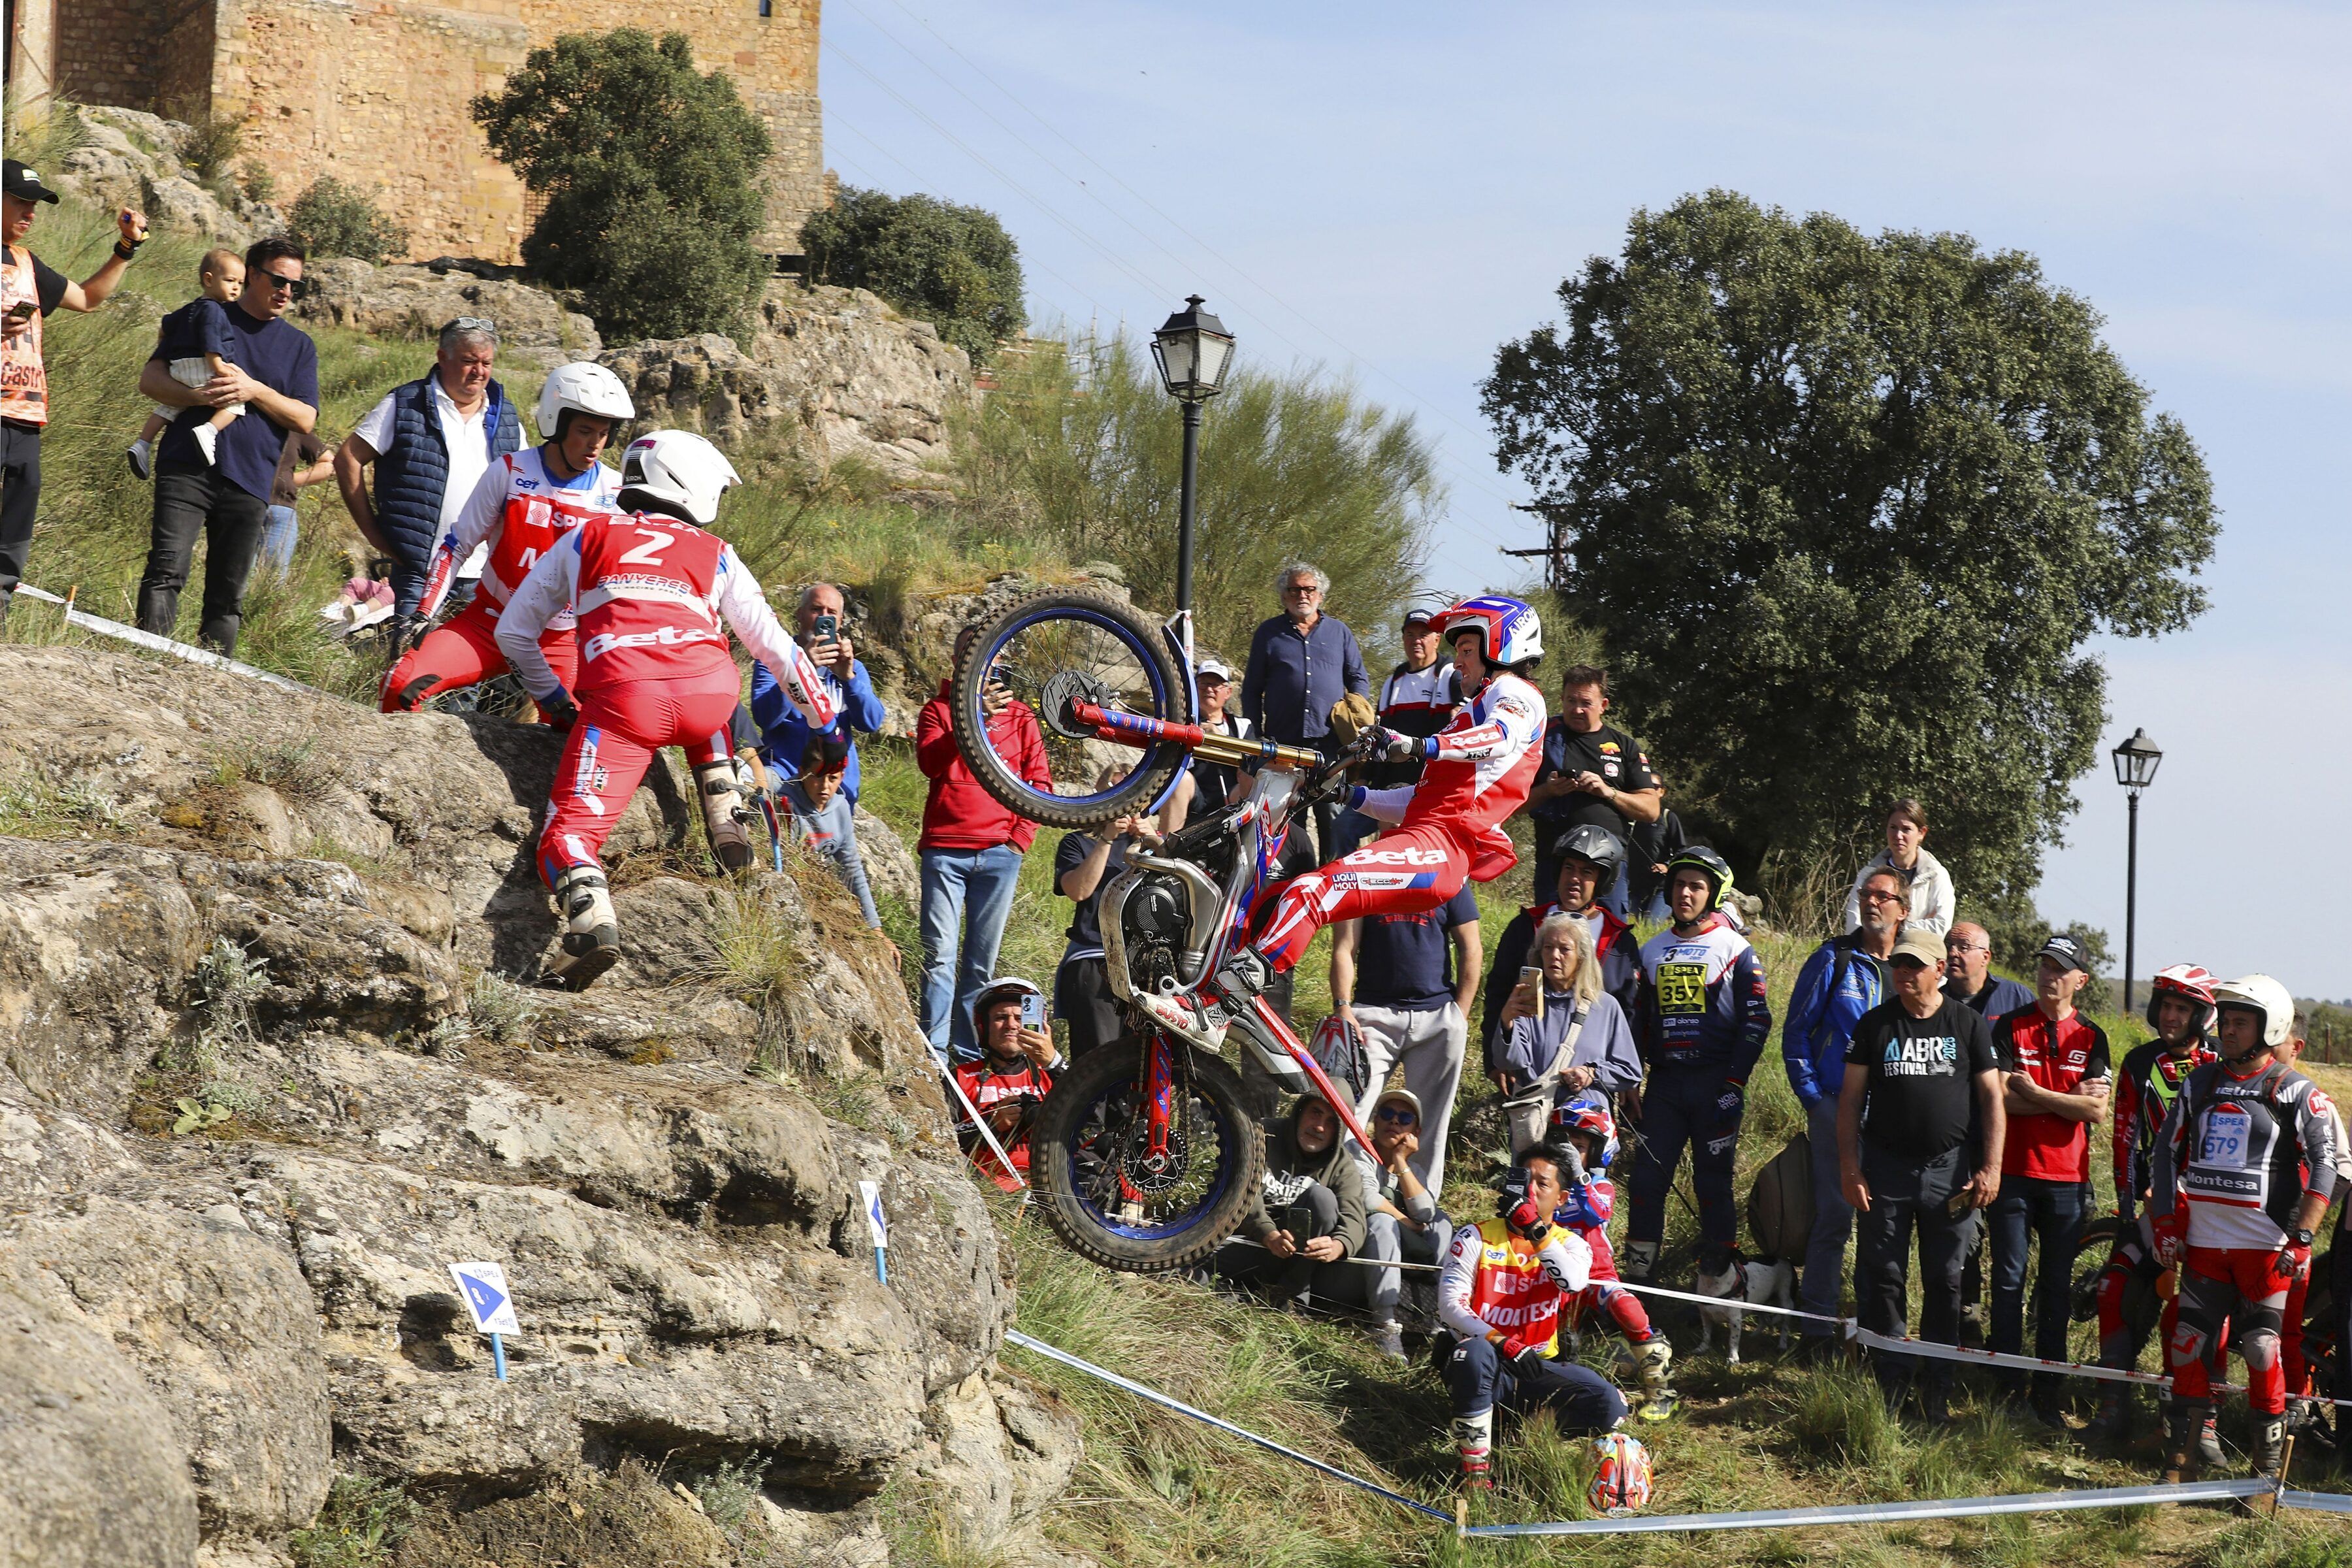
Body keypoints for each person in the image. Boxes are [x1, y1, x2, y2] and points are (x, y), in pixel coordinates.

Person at [1136, 597, 1546, 1068]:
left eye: (1468, 649)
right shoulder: (1473, 711)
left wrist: (1419, 743)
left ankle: (1216, 1007)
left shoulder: (1517, 695)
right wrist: (1343, 796)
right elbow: (1414, 801)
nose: (1459, 662)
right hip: (1420, 835)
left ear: (1501, 645)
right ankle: (1216, 989)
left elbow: (1501, 736)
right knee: (1279, 898)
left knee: (1310, 894)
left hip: (1441, 849)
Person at [493, 429, 836, 988]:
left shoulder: (586, 537)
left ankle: (590, 922)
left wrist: (556, 701)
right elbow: (774, 647)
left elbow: (514, 631)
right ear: (692, 485)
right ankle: (726, 812)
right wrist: (829, 727)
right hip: (711, 698)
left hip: (628, 702)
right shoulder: (717, 551)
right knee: (702, 679)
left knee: (568, 835)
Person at [2152, 973, 2340, 1484]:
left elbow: (2325, 1166)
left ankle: (2265, 1475)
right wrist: (2166, 1223)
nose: (2227, 1032)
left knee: (2261, 1350)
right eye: (2226, 1022)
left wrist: (2303, 1237)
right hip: (2206, 1246)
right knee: (2188, 1343)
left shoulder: (2298, 1091)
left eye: (2240, 1023)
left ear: (2270, 1027)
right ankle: (2180, 1464)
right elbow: (2166, 1155)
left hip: (2266, 1249)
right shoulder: (2199, 1084)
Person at [382, 362, 634, 719]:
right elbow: (456, 547)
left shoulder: (617, 492)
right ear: (556, 424)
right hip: (489, 623)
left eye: (605, 433)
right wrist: (424, 613)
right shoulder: (509, 471)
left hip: (561, 641)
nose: (595, 444)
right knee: (400, 683)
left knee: (578, 734)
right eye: (584, 431)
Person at [1838, 926, 2007, 1422]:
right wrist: (1851, 1167)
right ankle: (1891, 1383)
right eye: (1899, 965)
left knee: (1946, 1281)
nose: (1904, 973)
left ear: (1939, 969)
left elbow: (1992, 1099)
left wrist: (1991, 1167)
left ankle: (1938, 1384)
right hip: (1885, 1169)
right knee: (1886, 1276)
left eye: (1915, 965)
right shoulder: (1875, 1025)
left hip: (1949, 1171)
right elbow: (1849, 1101)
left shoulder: (1968, 1024)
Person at [135, 236, 318, 655]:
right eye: (278, 280)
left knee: (227, 597)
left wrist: (252, 389)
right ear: (252, 274)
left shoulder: (300, 347)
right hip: (186, 466)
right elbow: (151, 380)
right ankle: (144, 668)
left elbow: (305, 418)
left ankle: (213, 687)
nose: (287, 291)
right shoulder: (206, 314)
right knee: (166, 570)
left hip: (252, 479)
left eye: (296, 285)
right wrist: (203, 396)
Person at [0, 161, 146, 625]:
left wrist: (125, 249)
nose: (31, 212)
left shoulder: (27, 263)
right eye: (21, 201)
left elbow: (87, 298)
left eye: (36, 204)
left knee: (15, 529)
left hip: (25, 417)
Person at [1621, 847, 1772, 1284]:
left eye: (1697, 886)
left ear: (1713, 894)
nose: (1685, 893)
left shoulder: (1735, 948)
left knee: (1713, 1186)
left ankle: (1719, 1290)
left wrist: (1734, 1081)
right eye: (1680, 884)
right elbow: (1637, 1022)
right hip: (1665, 1086)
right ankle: (1637, 1288)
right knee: (1647, 1182)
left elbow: (1758, 1018)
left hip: (1715, 1084)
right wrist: (1632, 1078)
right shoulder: (1650, 951)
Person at [1439, 1143, 1627, 1490]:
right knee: (1475, 1351)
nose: (1531, 1190)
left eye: (1543, 1184)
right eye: (1525, 1180)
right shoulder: (1474, 1235)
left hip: (1537, 1365)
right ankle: (1475, 1471)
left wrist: (1536, 1233)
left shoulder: (1572, 1244)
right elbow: (1450, 1305)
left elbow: (1571, 1283)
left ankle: (1518, 1429)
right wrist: (1500, 1341)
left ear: (1561, 1198)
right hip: (1486, 1359)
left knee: (1610, 1406)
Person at [2087, 964, 2218, 1443]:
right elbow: (2125, 1138)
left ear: (2202, 1014)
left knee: (2190, 1313)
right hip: (2152, 1209)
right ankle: (2110, 1409)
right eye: (2165, 1005)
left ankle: (2192, 1423)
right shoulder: (2139, 1062)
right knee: (2112, 1291)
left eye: (2182, 1008)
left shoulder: (2221, 1064)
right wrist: (2126, 1206)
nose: (2171, 1015)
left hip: (2211, 1214)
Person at [1987, 935, 2112, 1425]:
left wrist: (2034, 1090)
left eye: (2060, 968)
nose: (2047, 975)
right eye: (2043, 965)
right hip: (2014, 1174)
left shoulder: (2093, 1036)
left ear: (2080, 979)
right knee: (2009, 1281)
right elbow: (1999, 1099)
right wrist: (2067, 1102)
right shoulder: (2009, 1026)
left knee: (2057, 1287)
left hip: (2066, 1179)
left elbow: (2096, 1110)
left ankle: (2048, 1391)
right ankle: (2007, 1387)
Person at [1781, 866, 1904, 1358]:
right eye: (1865, 894)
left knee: (1881, 1226)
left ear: (1903, 908)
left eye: (1883, 896)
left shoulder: (1910, 968)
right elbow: (1796, 1032)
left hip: (1890, 1116)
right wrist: (1814, 1098)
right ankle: (1816, 1332)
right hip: (1835, 1106)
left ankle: (1870, 1333)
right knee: (1833, 1218)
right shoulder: (1835, 958)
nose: (1872, 903)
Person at [915, 623, 1053, 1062]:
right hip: (946, 848)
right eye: (967, 653)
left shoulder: (1022, 716)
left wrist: (1020, 839)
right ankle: (936, 1054)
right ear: (957, 663)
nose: (979, 662)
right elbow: (930, 763)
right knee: (939, 955)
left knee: (979, 963)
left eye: (987, 653)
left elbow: (1040, 783)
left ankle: (967, 1056)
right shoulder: (938, 710)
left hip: (1000, 853)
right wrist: (969, 719)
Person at [335, 317, 523, 619]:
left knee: (469, 665)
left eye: (486, 363)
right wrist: (373, 534)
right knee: (410, 658)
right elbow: (348, 459)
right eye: (468, 361)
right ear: (442, 357)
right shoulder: (406, 403)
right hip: (422, 569)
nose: (479, 372)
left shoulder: (507, 418)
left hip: (485, 575)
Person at [1330, 872, 1479, 1199]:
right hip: (1373, 1013)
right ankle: (1348, 1198)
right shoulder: (1365, 872)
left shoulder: (1447, 871)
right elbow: (1345, 947)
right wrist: (1343, 1006)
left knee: (1430, 1124)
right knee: (1349, 1110)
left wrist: (1460, 1016)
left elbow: (1471, 947)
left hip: (1437, 1015)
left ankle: (1421, 1207)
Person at [1549, 1092, 1674, 1421]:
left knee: (1624, 1305)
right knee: (1557, 1338)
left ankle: (1659, 1385)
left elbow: (1595, 1213)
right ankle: (1561, 1391)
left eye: (1579, 1147)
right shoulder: (1545, 1186)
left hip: (1596, 1274)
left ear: (1597, 1152)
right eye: (1564, 1145)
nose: (1569, 1153)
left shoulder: (1601, 1186)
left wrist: (1578, 1176)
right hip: (1553, 1275)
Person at [1239, 561, 1368, 860]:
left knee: (1333, 818)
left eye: (1309, 589)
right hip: (1282, 744)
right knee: (1284, 818)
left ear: (1320, 595)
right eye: (1295, 589)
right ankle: (1287, 886)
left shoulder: (1340, 633)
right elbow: (1251, 688)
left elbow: (1358, 677)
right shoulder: (1268, 633)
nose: (1303, 595)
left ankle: (1333, 887)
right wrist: (1255, 736)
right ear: (1284, 596)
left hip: (1331, 746)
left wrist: (1357, 709)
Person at [1489, 912, 1643, 1152]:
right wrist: (1507, 1022)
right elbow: (1509, 1061)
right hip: (1537, 1128)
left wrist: (1591, 1073)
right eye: (1548, 947)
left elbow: (1630, 1071)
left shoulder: (1605, 1006)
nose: (1554, 956)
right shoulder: (1527, 1003)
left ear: (1582, 957)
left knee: (1586, 1189)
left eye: (1564, 949)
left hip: (1587, 1133)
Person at [1484, 823, 1639, 1051]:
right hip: (1528, 1059)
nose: (1574, 878)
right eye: (1569, 868)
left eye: (1586, 872)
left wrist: (1628, 1073)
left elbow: (1631, 1012)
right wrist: (1493, 1057)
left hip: (1594, 1070)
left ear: (1603, 880)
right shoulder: (1527, 927)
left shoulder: (1620, 941)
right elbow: (1499, 992)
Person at [1522, 664, 1662, 913]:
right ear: (1562, 699)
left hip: (1608, 868)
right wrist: (1548, 790)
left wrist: (1608, 792)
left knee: (1607, 942)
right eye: (1571, 701)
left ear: (1603, 705)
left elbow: (1651, 810)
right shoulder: (1541, 738)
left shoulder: (1624, 746)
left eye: (1586, 703)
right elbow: (1511, 804)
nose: (1576, 709)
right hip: (1556, 865)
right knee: (1551, 941)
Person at [1331, 601, 1460, 857]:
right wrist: (1364, 777)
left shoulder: (1449, 674)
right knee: (1343, 827)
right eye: (1410, 635)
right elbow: (1379, 734)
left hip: (1425, 788)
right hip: (1385, 786)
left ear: (1437, 639)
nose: (1416, 641)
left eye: (1423, 634)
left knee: (1397, 845)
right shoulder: (1394, 682)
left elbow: (1464, 721)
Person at [1222, 1095, 1369, 1313]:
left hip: (1299, 1263)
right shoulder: (1263, 1133)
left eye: (1331, 1122)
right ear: (1300, 1111)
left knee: (1322, 1199)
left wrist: (1338, 1245)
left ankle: (1286, 1296)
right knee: (1182, 1261)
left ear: (1339, 1132)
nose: (1319, 1127)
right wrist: (1268, 1234)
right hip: (1250, 1241)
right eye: (1316, 1113)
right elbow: (1240, 1188)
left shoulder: (1342, 1164)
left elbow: (1356, 1219)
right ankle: (1233, 1291)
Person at [748, 582, 889, 806]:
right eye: (816, 609)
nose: (824, 617)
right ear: (800, 615)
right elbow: (765, 718)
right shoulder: (773, 660)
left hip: (833, 785)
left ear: (840, 621)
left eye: (831, 613)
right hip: (784, 776)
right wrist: (802, 670)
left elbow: (871, 723)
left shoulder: (852, 668)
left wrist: (849, 680)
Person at [1053, 776, 1165, 1057]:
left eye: (1133, 796)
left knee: (1139, 1068)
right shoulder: (1078, 842)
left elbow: (1181, 890)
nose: (1124, 805)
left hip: (1146, 967)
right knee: (1098, 1058)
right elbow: (1078, 890)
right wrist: (1106, 838)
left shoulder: (1154, 848)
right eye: (1115, 793)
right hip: (1094, 957)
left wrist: (1153, 839)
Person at [1341, 1088, 1451, 1362]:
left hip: (1400, 1265)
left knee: (1443, 1221)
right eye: (1387, 1114)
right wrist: (1403, 1220)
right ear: (1375, 1121)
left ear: (1416, 1131)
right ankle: (1383, 1326)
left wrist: (1401, 1161)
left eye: (1404, 1118)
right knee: (1381, 1221)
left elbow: (1425, 1214)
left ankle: (1436, 1310)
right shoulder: (1357, 1151)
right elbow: (1366, 1199)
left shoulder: (1417, 1173)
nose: (1394, 1122)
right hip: (1353, 1261)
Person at [2279, 1014, 2349, 1441]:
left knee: (2284, 1332)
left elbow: (2341, 1172)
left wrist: (2304, 1222)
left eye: (2278, 1036)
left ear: (2297, 1046)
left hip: (2290, 1240)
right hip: (2235, 1233)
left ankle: (2296, 1417)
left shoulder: (2313, 1101)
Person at [126, 248, 246, 479]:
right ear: (208, 279)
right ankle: (208, 431)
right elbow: (211, 339)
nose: (236, 288)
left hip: (179, 368)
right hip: (203, 365)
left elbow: (164, 326)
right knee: (236, 402)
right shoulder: (214, 310)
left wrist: (166, 348)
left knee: (170, 406)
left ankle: (142, 444)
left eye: (240, 283)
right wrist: (219, 366)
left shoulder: (188, 309)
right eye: (230, 280)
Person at [951, 977, 1060, 1192]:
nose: (1011, 1025)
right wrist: (990, 1123)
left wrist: (1053, 1062)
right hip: (984, 1189)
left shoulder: (1054, 1075)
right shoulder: (960, 1077)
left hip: (1050, 1189)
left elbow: (1093, 1124)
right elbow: (941, 1137)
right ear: (983, 1026)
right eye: (1001, 1017)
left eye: (1020, 1018)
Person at [780, 730, 879, 929]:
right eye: (817, 777)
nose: (825, 786)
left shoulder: (841, 808)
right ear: (802, 773)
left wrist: (875, 927)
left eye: (832, 779)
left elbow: (852, 867)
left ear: (842, 777)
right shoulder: (784, 805)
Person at [1840, 799, 1955, 936]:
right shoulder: (1868, 875)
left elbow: (1940, 927)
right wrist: (1917, 926)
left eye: (1906, 829)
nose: (1898, 836)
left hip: (1917, 955)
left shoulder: (1936, 875)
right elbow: (1854, 926)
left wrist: (1887, 927)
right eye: (1893, 828)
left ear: (1921, 833)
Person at [259, 427, 333, 581]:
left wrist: (289, 481)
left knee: (273, 581)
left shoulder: (293, 426)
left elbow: (328, 463)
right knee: (238, 576)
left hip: (281, 510)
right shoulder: (237, 417)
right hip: (242, 505)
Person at [1944, 922, 2034, 1019]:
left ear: (1985, 957)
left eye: (1963, 948)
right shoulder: (1933, 1002)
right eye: (1948, 946)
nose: (1952, 953)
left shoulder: (2016, 997)